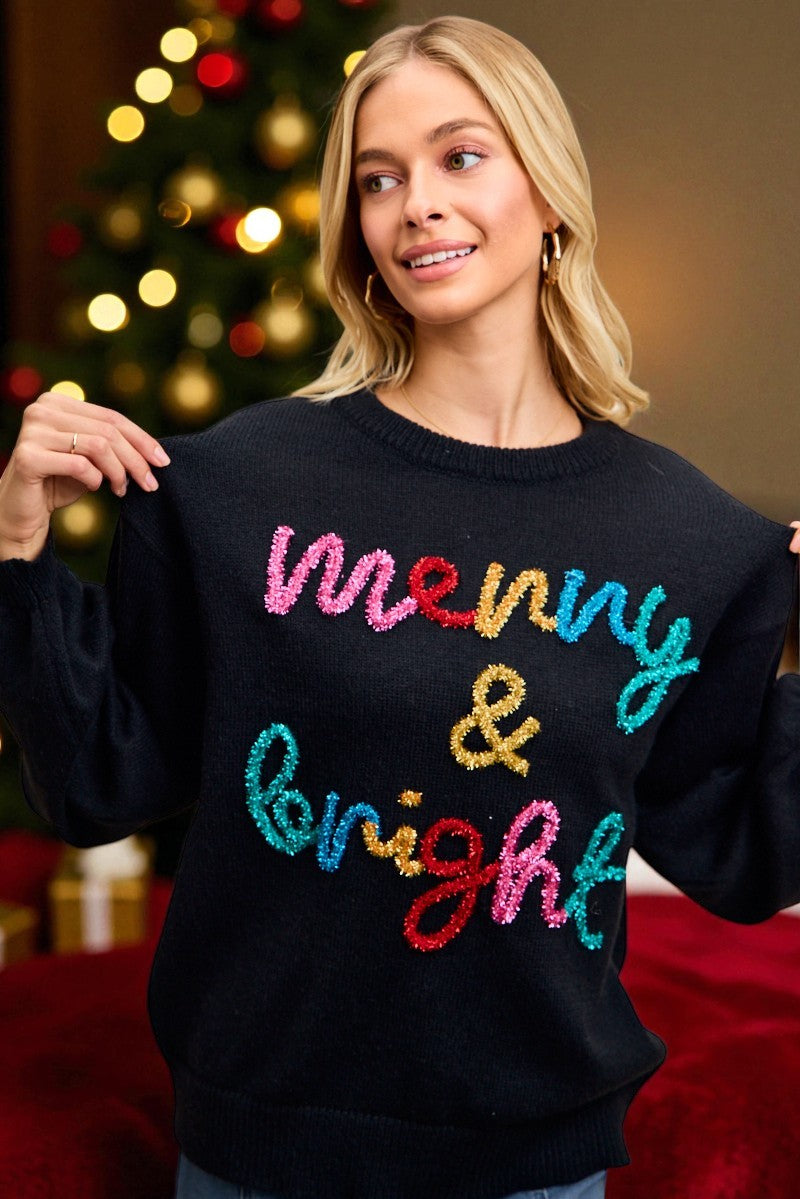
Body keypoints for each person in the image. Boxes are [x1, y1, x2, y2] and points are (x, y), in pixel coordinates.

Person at [0, 15, 798, 1199]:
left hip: (536, 1159)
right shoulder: (236, 486)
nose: (415, 201)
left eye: (460, 156)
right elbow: (100, 779)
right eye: (379, 178)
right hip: (256, 1147)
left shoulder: (689, 542)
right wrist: (14, 550)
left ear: (550, 196)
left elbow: (738, 855)